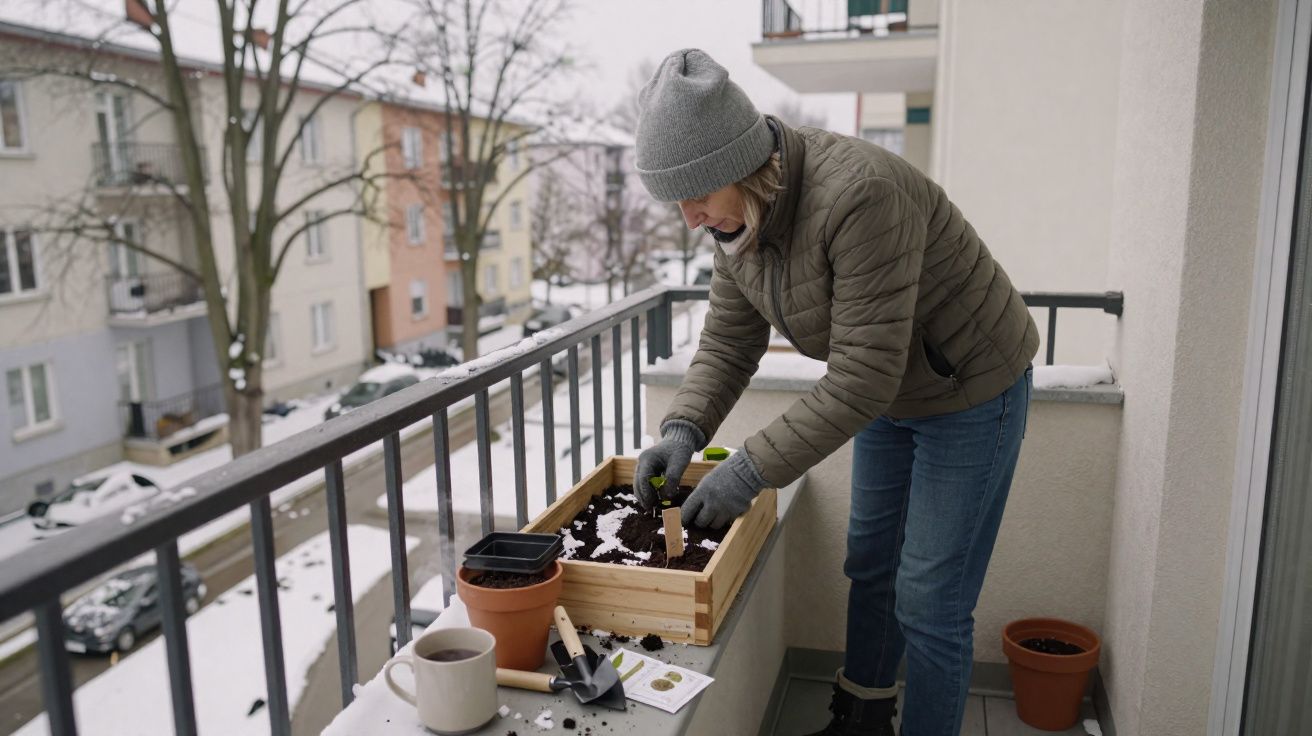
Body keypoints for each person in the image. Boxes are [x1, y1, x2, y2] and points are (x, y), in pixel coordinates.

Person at [631, 49, 1038, 736]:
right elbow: (731, 344)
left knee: (930, 600)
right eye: (679, 199)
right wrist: (682, 431)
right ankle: (862, 718)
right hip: (886, 389)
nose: (690, 216)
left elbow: (860, 377)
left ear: (737, 164)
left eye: (696, 193)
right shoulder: (737, 222)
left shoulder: (859, 195)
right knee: (870, 562)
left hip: (971, 390)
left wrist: (750, 471)